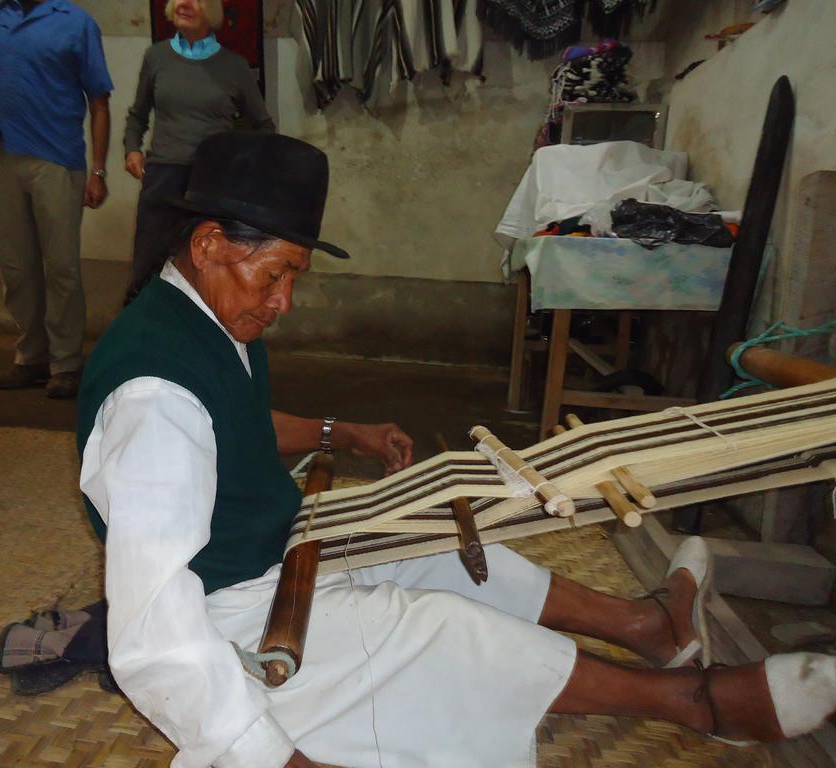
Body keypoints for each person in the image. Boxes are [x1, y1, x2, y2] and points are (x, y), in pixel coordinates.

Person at [76, 131, 836, 768]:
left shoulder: (206, 318)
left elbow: (235, 422)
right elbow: (151, 632)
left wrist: (347, 434)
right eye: (277, 276)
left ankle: (650, 629)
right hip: (234, 613)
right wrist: (266, 755)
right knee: (442, 627)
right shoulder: (154, 395)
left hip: (282, 549)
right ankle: (694, 702)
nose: (285, 303)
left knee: (436, 541)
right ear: (210, 244)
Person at [0, 0, 113, 400]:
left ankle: (66, 363)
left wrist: (98, 171)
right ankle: (31, 357)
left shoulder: (76, 23)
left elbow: (99, 102)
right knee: (15, 265)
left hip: (55, 158)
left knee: (61, 267)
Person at [122, 0, 275, 302]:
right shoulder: (157, 57)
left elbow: (264, 126)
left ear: (212, 11)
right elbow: (138, 115)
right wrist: (132, 149)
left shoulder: (233, 66)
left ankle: (200, 340)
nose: (184, 4)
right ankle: (142, 341)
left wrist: (240, 167)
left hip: (210, 182)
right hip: (163, 179)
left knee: (205, 270)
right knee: (147, 269)